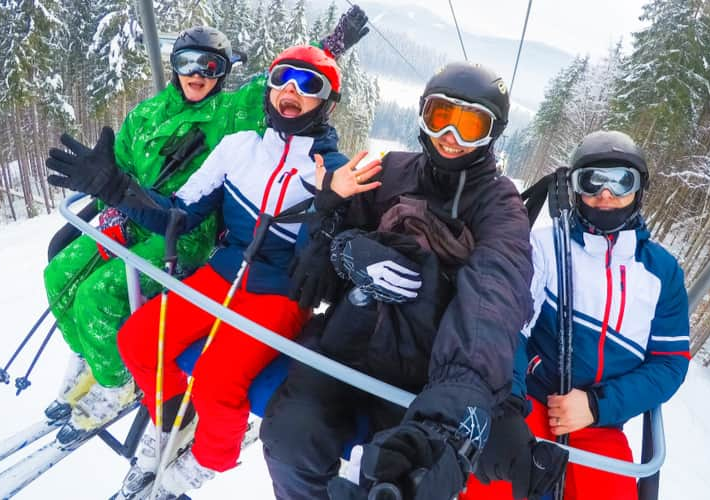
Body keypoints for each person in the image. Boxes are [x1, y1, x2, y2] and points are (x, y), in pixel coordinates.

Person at [47, 27, 374, 500]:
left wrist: (329, 207)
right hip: (222, 271)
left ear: (328, 103)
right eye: (284, 78)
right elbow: (178, 216)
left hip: (277, 291)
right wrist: (117, 189)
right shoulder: (238, 149)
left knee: (220, 378)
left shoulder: (335, 174)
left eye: (310, 86)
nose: (292, 92)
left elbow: (329, 264)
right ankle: (170, 421)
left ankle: (208, 459)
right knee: (138, 339)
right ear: (269, 87)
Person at [260, 61, 548, 500]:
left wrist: (452, 410)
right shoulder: (390, 170)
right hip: (346, 342)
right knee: (288, 439)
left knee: (401, 471)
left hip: (423, 370)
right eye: (441, 117)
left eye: (469, 125)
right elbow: (323, 250)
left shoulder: (500, 207)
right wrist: (344, 246)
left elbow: (492, 300)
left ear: (492, 133)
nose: (450, 138)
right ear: (423, 115)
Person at [41, 26, 265, 443]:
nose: (197, 74)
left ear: (223, 71)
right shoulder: (147, 113)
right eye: (186, 63)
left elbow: (277, 86)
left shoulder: (232, 112)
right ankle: (95, 356)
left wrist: (328, 50)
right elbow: (121, 164)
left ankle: (117, 381)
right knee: (58, 275)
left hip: (182, 233)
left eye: (210, 65)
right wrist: (103, 193)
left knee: (98, 294)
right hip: (129, 216)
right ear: (174, 66)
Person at [462, 130, 691, 499]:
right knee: (492, 482)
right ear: (574, 187)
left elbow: (669, 364)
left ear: (639, 190)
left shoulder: (661, 273)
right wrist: (510, 403)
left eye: (621, 182)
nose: (606, 193)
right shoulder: (543, 246)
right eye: (592, 180)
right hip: (530, 404)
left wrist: (597, 405)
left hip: (600, 425)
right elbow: (510, 330)